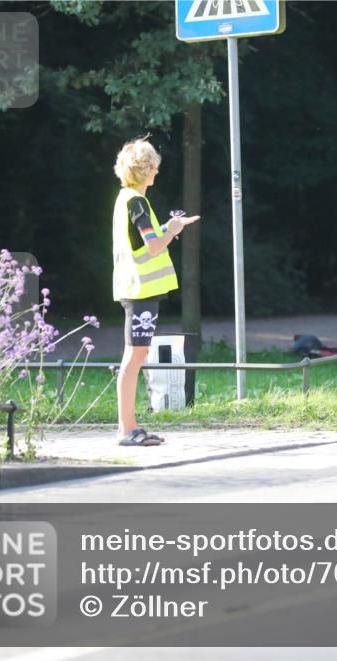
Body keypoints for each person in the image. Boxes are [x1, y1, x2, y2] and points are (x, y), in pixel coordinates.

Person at [112, 137, 199, 446]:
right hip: (141, 291)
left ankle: (129, 426)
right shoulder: (136, 202)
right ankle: (127, 429)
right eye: (155, 168)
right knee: (134, 357)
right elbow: (151, 247)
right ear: (144, 169)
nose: (157, 173)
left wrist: (168, 227)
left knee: (136, 355)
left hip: (137, 289)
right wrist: (172, 231)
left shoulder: (128, 199)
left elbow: (143, 241)